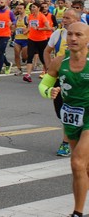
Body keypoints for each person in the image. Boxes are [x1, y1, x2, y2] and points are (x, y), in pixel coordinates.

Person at [38, 22, 89, 217]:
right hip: (71, 116)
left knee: (76, 162)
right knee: (82, 168)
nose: (73, 38)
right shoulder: (59, 62)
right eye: (70, 34)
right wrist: (50, 91)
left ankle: (77, 213)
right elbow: (43, 86)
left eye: (79, 35)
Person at [43, 8, 82, 158]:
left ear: (76, 20)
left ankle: (66, 143)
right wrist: (49, 68)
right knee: (61, 112)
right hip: (60, 78)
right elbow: (47, 51)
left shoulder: (85, 34)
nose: (63, 20)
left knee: (72, 111)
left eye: (67, 18)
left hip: (79, 78)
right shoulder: (58, 34)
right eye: (63, 17)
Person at [23, 2, 51, 83]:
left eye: (34, 7)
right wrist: (26, 31)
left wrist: (39, 29)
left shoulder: (42, 16)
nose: (32, 8)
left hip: (42, 40)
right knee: (30, 56)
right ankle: (28, 75)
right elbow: (30, 27)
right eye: (31, 7)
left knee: (42, 58)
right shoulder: (30, 16)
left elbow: (48, 28)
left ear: (38, 8)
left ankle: (48, 72)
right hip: (31, 39)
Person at [0, 0, 15, 80]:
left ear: (6, 3)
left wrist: (11, 23)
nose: (0, 3)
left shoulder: (9, 12)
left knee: (1, 52)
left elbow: (14, 21)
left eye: (1, 2)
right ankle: (7, 64)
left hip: (5, 34)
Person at [13, 4, 29, 76]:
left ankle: (25, 59)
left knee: (24, 56)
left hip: (25, 39)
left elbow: (31, 27)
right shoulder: (16, 18)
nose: (19, 10)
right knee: (16, 54)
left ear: (24, 9)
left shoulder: (27, 18)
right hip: (17, 39)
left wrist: (26, 30)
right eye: (18, 9)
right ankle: (19, 69)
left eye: (21, 9)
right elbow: (14, 27)